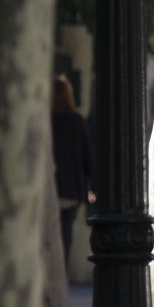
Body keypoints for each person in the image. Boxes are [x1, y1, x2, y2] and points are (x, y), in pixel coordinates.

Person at [51, 74, 94, 267]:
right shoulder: (77, 122)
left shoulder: (46, 122)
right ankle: (61, 276)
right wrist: (92, 188)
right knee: (65, 238)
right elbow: (89, 158)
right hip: (71, 193)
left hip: (49, 191)